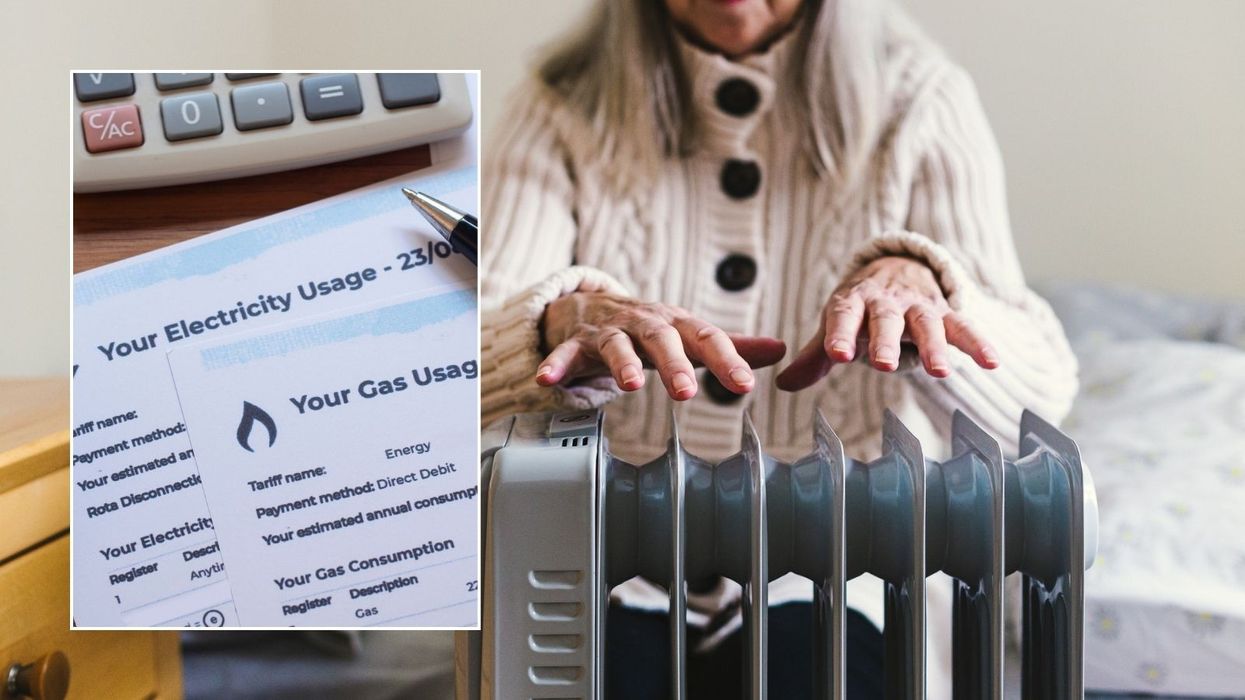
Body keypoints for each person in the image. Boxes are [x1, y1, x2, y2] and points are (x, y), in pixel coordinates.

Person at [481, 0, 1078, 696]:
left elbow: (1038, 401)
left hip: (848, 567)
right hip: (601, 557)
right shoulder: (557, 102)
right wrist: (552, 325)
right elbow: (447, 372)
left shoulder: (923, 100)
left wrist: (930, 290)